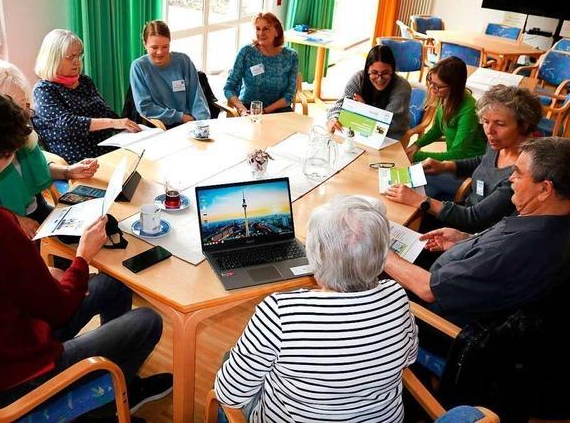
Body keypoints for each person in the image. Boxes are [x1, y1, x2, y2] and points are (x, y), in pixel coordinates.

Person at [0, 89, 171, 414]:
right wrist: (82, 257)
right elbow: (58, 309)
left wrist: (53, 277)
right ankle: (106, 403)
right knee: (147, 320)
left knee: (114, 285)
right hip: (17, 376)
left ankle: (118, 386)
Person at [215, 196, 418, 422]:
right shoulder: (397, 296)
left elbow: (229, 394)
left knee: (230, 364)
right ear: (382, 256)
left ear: (314, 256)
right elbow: (409, 357)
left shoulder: (280, 313)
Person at [385, 137, 570, 326]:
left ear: (545, 189)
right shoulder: (551, 219)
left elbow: (428, 290)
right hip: (456, 277)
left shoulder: (511, 250)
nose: (510, 178)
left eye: (518, 173)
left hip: (434, 318)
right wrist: (465, 240)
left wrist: (381, 253)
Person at [385, 85, 542, 233]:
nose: (489, 131)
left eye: (500, 124)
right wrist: (445, 166)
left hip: (471, 233)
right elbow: (483, 160)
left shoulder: (522, 173)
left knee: (404, 222)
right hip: (464, 207)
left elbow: (473, 219)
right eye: (486, 122)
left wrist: (420, 201)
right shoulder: (500, 145)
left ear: (524, 125)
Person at [0, 60, 99, 238]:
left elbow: (38, 170)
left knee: (88, 229)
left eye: (25, 105)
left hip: (34, 207)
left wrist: (68, 171)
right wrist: (15, 220)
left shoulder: (20, 131)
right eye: (15, 108)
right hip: (0, 223)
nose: (23, 115)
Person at [32, 29, 141, 164]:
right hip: (80, 159)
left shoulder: (85, 81)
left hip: (108, 148)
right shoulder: (44, 89)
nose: (77, 62)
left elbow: (105, 112)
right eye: (70, 57)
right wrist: (113, 123)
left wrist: (127, 126)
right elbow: (67, 123)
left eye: (78, 56)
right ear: (53, 58)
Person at [405, 56, 487, 163]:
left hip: (469, 165)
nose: (432, 89)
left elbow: (457, 154)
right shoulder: (445, 96)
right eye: (431, 81)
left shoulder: (469, 110)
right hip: (453, 161)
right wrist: (417, 145)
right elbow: (437, 129)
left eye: (437, 86)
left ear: (454, 87)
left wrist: (417, 156)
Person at [130, 20, 210, 127]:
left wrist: (201, 123)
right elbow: (145, 107)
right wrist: (181, 117)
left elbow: (197, 97)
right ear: (145, 44)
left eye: (165, 47)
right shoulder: (138, 67)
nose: (160, 52)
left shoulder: (183, 61)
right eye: (154, 47)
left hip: (191, 123)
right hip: (163, 125)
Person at [327, 44, 411, 140]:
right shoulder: (358, 78)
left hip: (391, 137)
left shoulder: (402, 87)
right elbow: (341, 105)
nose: (380, 79)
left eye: (385, 73)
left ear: (393, 70)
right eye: (374, 73)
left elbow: (387, 125)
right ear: (367, 70)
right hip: (359, 132)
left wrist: (363, 109)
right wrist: (334, 118)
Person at [223, 12, 299, 116]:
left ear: (277, 32)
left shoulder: (290, 56)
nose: (261, 33)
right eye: (258, 29)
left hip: (279, 111)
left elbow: (289, 95)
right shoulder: (246, 52)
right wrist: (242, 109)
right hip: (249, 110)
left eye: (266, 29)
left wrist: (264, 111)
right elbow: (229, 88)